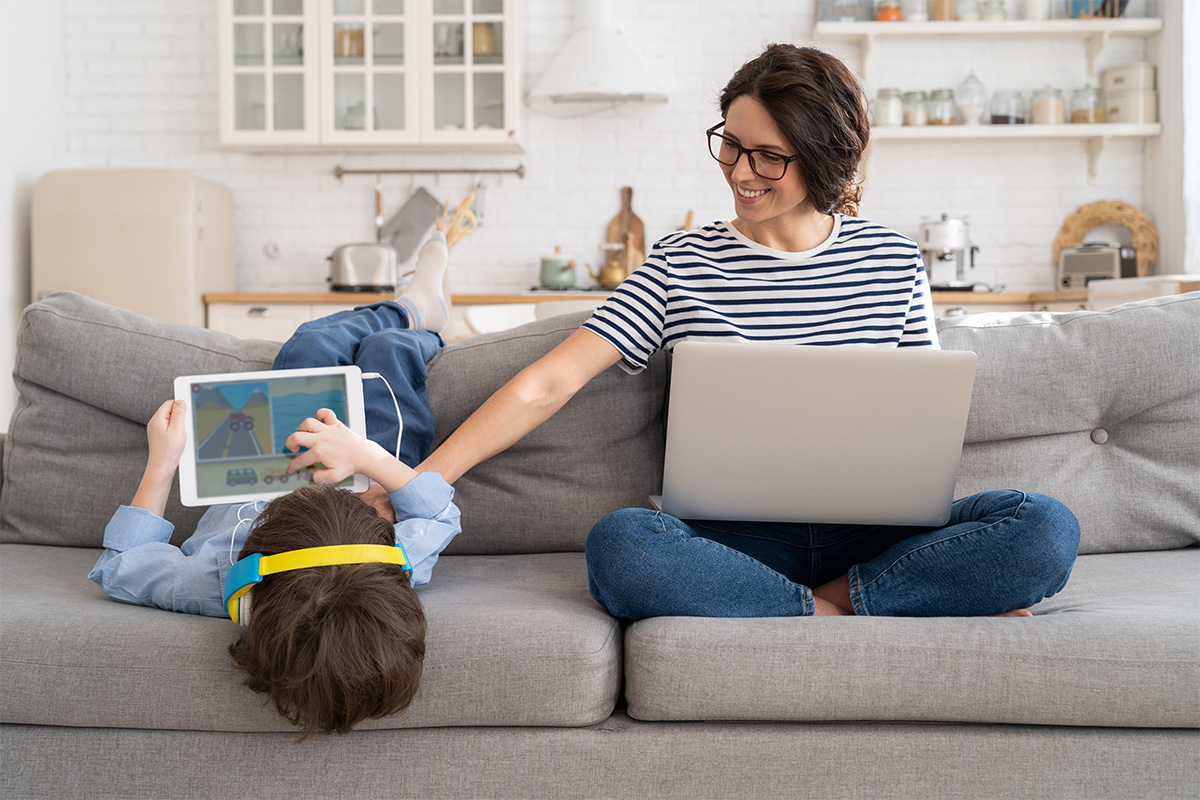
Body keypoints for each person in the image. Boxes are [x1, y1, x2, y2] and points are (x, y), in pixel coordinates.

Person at [416, 44, 1080, 620]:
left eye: (768, 157)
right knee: (622, 546)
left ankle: (790, 602)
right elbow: (549, 382)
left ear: (822, 157)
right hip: (732, 539)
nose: (739, 172)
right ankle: (856, 604)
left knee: (1044, 529)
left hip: (873, 533)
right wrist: (417, 486)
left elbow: (923, 421)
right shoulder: (682, 260)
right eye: (730, 144)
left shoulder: (893, 259)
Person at [89, 234, 460, 739]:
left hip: (278, 445)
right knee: (388, 353)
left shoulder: (213, 583)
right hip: (370, 458)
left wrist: (162, 463)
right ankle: (423, 316)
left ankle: (408, 306)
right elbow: (438, 515)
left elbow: (120, 567)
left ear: (250, 601)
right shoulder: (393, 572)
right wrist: (368, 457)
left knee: (310, 341)